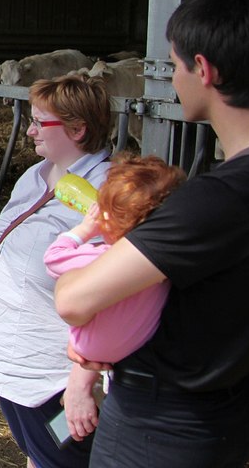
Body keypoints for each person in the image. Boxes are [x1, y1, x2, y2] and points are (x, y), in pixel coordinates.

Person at [54, 0, 249, 467]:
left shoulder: (218, 197)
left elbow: (73, 301)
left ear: (204, 70)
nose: (175, 78)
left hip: (159, 428)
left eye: (176, 64)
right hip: (226, 412)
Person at [0, 74, 113, 468]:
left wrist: (83, 382)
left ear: (78, 129)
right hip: (13, 363)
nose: (28, 130)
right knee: (38, 455)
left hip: (54, 377)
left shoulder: (109, 193)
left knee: (63, 460)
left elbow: (112, 295)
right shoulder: (37, 175)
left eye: (39, 122)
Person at [43, 154, 183, 364]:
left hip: (90, 349)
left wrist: (83, 230)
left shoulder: (101, 257)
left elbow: (53, 259)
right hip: (136, 347)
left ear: (106, 220)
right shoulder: (163, 260)